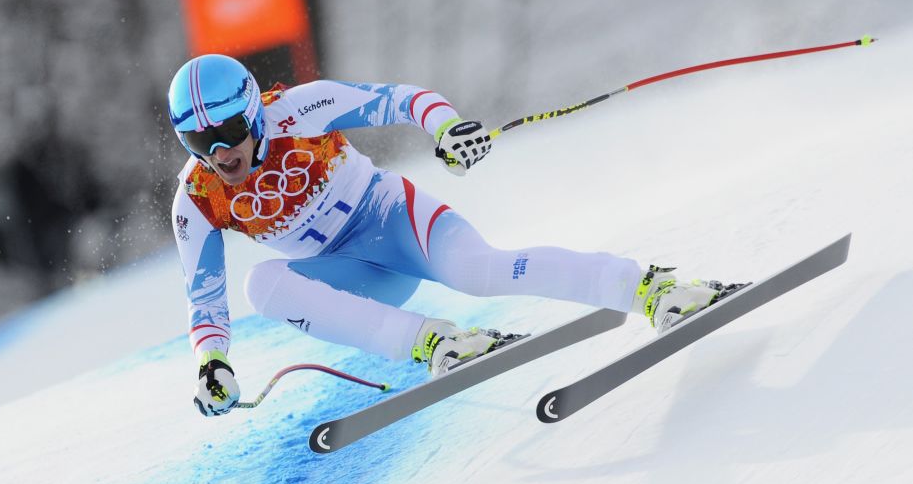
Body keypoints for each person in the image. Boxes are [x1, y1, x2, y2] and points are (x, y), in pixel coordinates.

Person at [168, 54, 734, 417]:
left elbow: (400, 98)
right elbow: (204, 296)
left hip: (390, 219)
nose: (221, 153)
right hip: (351, 275)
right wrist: (212, 362)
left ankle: (655, 290)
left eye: (230, 131)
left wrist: (446, 128)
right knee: (262, 286)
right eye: (200, 142)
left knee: (479, 273)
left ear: (253, 112)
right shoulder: (196, 199)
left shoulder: (297, 110)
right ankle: (437, 343)